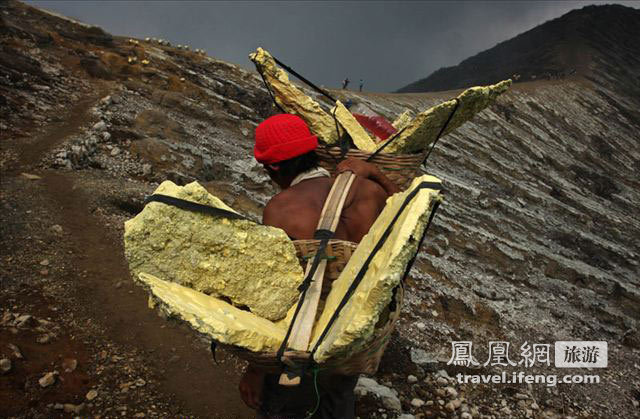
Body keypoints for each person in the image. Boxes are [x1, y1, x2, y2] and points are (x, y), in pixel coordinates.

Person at [239, 113, 400, 418]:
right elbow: (407, 215)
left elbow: (277, 293)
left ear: (273, 166)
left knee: (287, 407)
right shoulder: (371, 192)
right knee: (337, 401)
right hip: (351, 336)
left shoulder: (280, 210)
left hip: (303, 342)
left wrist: (256, 368)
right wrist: (374, 173)